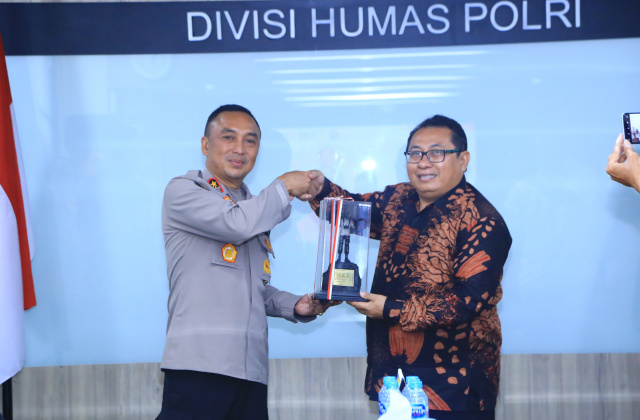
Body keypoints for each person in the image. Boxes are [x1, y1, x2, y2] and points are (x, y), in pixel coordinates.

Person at [300, 115, 512, 420]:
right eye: (415, 153)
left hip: (453, 386)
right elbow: (353, 212)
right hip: (393, 377)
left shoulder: (482, 220)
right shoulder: (399, 198)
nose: (423, 162)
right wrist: (320, 189)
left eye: (437, 153)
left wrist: (390, 309)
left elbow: (466, 301)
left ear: (463, 160)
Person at [156, 104, 338, 420]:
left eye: (250, 140)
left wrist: (296, 306)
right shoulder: (184, 190)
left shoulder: (253, 208)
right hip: (199, 367)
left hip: (250, 370)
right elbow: (236, 224)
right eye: (229, 137)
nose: (240, 148)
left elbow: (253, 290)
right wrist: (284, 185)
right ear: (205, 145)